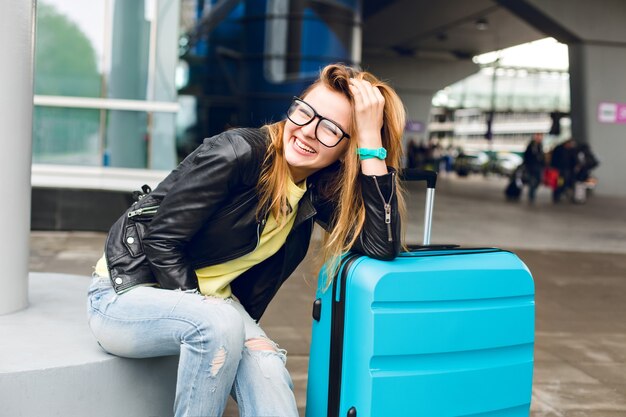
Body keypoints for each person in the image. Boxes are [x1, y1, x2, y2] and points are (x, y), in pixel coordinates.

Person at [86, 64, 405, 417]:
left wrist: (372, 142)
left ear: (348, 149)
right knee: (218, 324)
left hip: (212, 305)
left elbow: (380, 244)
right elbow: (161, 241)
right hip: (125, 293)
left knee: (267, 368)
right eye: (305, 112)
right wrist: (219, 321)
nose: (308, 132)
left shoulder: (314, 190)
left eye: (330, 128)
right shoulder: (238, 152)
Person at [550, 138, 577, 203]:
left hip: (567, 169)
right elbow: (554, 159)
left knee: (565, 182)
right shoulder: (559, 149)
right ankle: (557, 196)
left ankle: (561, 194)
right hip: (560, 170)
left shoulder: (571, 150)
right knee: (559, 182)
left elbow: (573, 159)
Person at [522, 133, 545, 203]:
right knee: (533, 181)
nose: (539, 138)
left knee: (538, 181)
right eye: (538, 137)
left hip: (538, 166)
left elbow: (541, 156)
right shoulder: (531, 146)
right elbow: (527, 156)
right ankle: (531, 196)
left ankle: (532, 194)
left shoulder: (540, 145)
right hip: (532, 167)